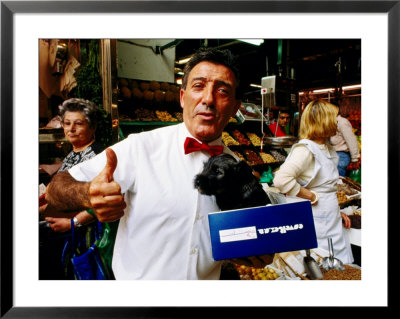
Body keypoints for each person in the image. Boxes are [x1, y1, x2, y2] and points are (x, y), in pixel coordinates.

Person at [45, 48, 274, 280]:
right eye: (198, 86)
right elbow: (57, 188)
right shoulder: (140, 148)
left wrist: (255, 250)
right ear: (183, 97)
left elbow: (241, 236)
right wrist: (86, 193)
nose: (208, 99)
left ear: (235, 107)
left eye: (222, 91)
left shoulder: (238, 172)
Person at [39, 98, 115, 279]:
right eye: (67, 123)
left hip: (86, 235)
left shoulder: (97, 156)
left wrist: (73, 223)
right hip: (67, 234)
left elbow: (104, 199)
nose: (70, 129)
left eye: (78, 123)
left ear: (93, 127)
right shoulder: (73, 153)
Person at [273, 99, 353, 264]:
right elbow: (281, 180)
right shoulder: (305, 149)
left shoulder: (327, 147)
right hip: (316, 219)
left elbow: (326, 185)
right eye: (334, 118)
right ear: (323, 121)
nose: (337, 122)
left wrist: (335, 211)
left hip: (330, 216)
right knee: (322, 265)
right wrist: (311, 196)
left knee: (339, 266)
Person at [329, 108, 360, 176]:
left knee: (338, 180)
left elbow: (351, 140)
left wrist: (355, 158)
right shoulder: (330, 122)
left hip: (341, 155)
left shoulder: (342, 122)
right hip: (333, 154)